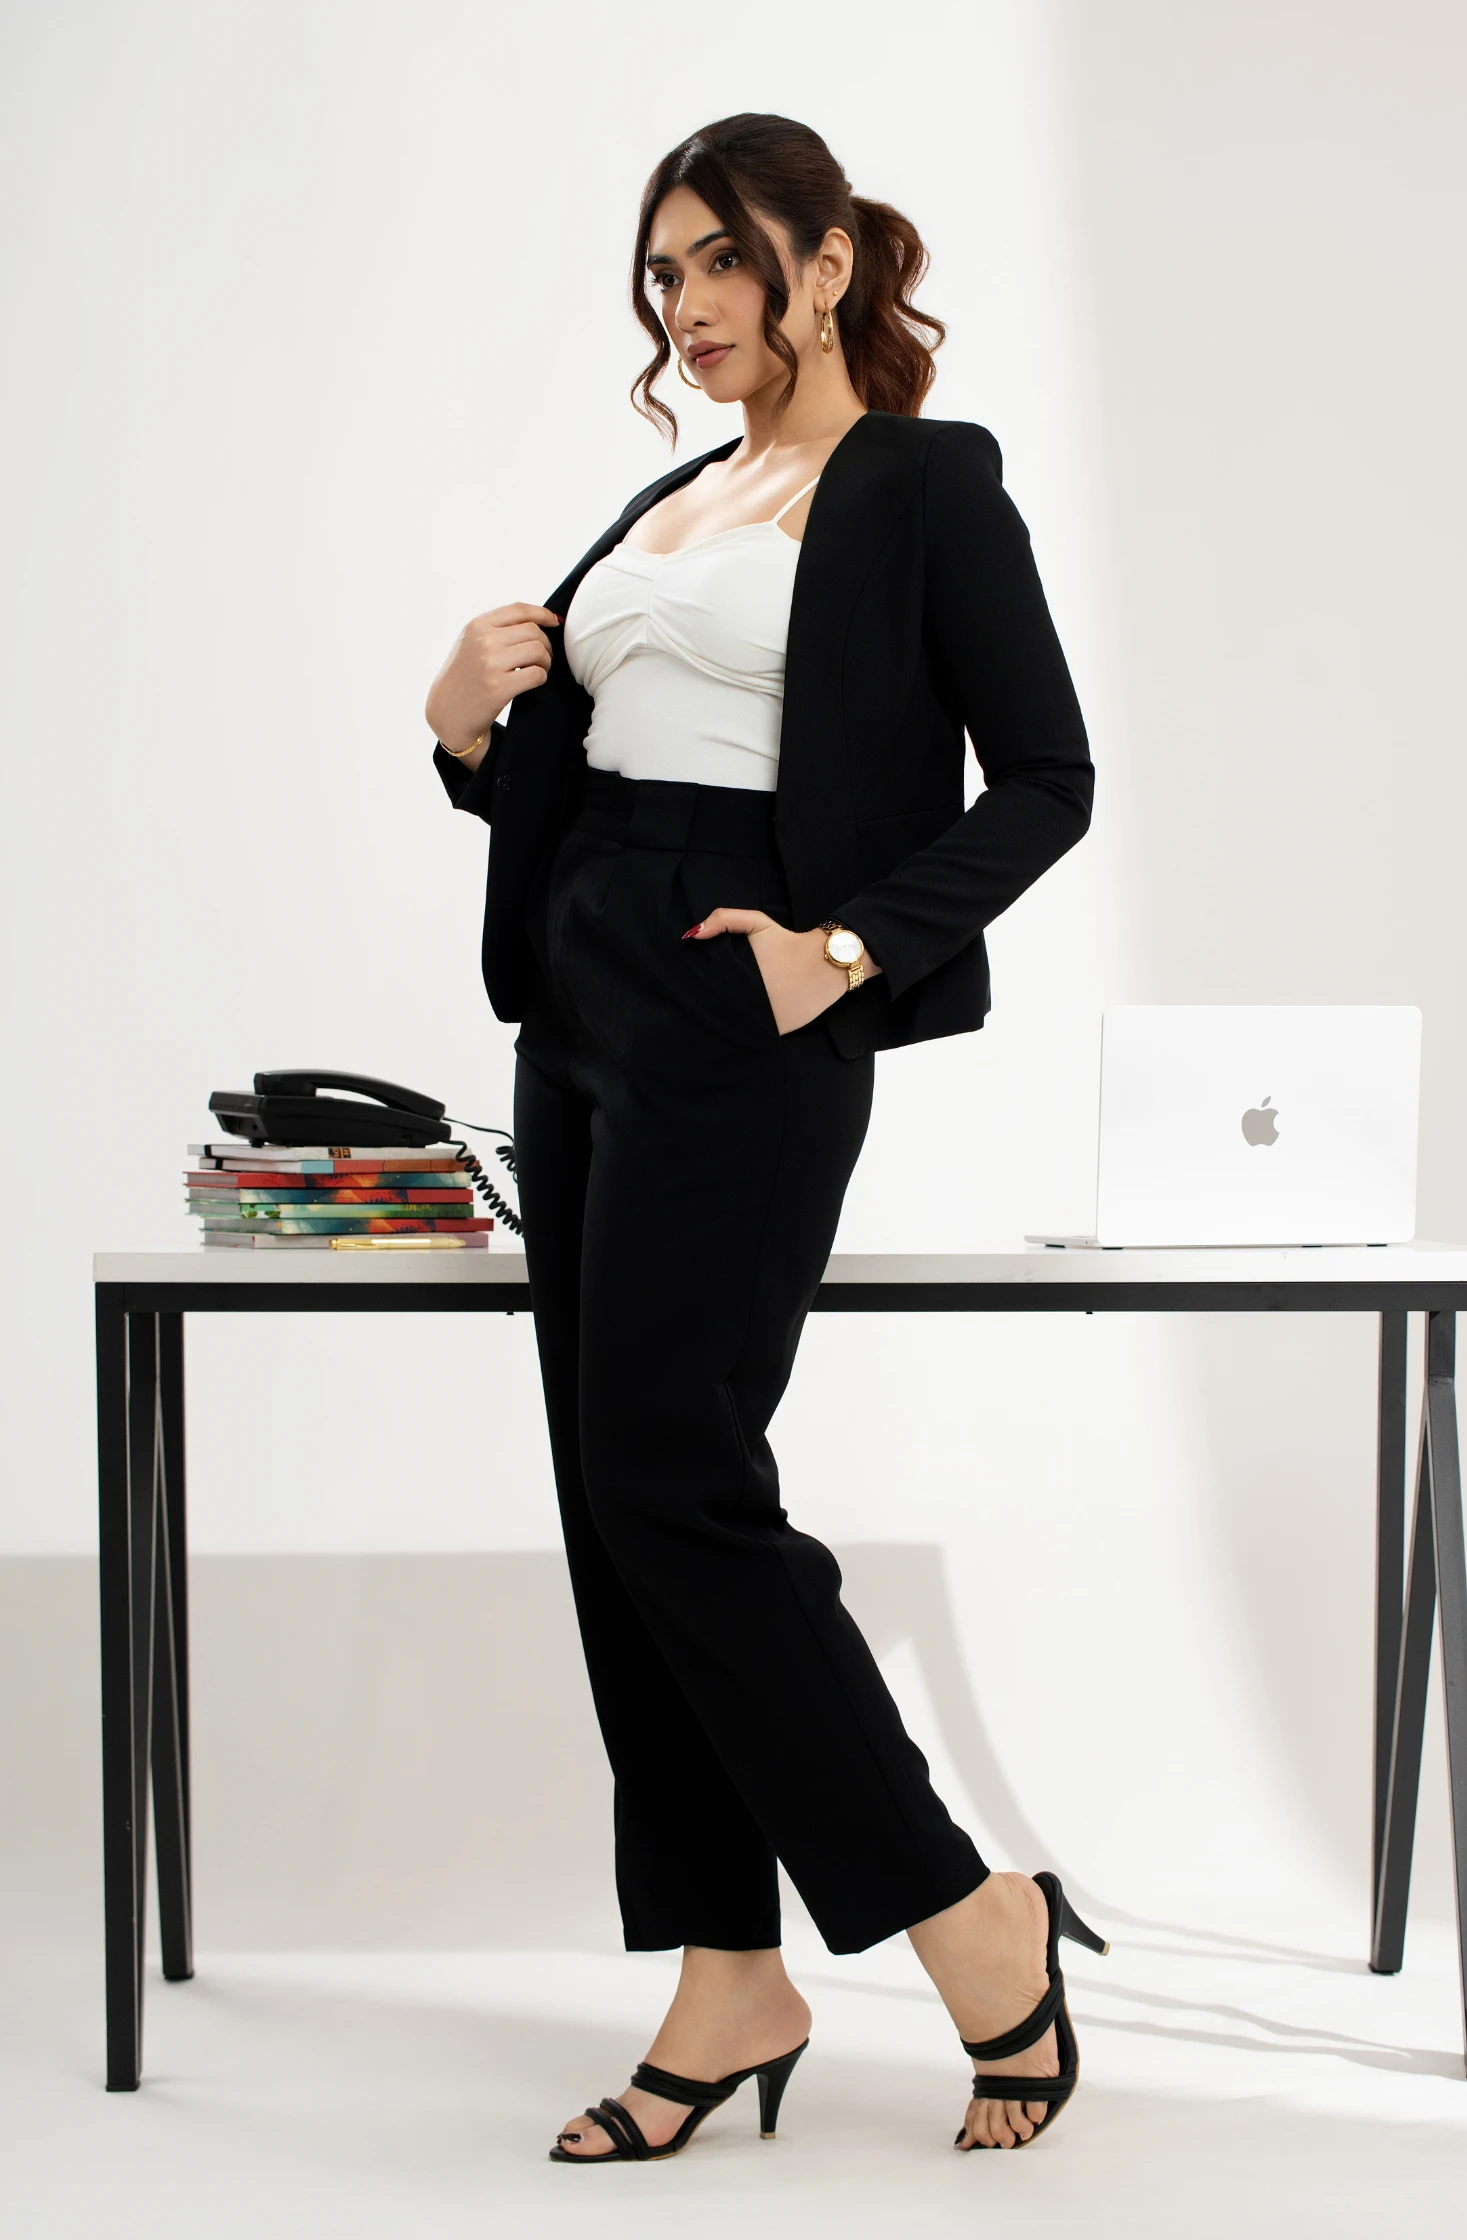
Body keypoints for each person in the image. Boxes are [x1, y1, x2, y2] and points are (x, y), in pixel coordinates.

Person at [426, 112, 1098, 2161]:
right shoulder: (668, 498)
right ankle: (726, 1968)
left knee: (674, 1475)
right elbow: (583, 763)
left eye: (721, 259)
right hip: (579, 991)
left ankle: (964, 1913)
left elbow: (1046, 777)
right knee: (612, 1491)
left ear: (824, 263)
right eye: (662, 274)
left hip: (746, 995)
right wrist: (461, 728)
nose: (687, 305)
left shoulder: (920, 484)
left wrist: (847, 952)